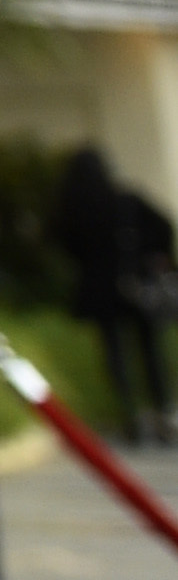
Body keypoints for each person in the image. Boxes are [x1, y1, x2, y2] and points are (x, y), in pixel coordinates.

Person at [54, 144, 176, 448]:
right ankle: (162, 412)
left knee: (114, 353)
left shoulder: (72, 207)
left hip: (100, 291)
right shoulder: (125, 200)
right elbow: (163, 227)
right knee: (149, 351)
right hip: (136, 286)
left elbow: (62, 243)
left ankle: (131, 415)